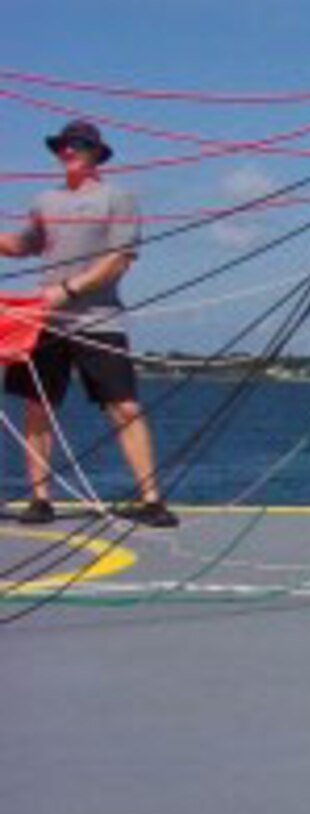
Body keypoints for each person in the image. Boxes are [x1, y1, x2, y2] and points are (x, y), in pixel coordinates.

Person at [1, 120, 177, 528]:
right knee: (36, 407)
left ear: (97, 153)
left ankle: (151, 500)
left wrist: (68, 289)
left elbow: (119, 260)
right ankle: (40, 499)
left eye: (78, 145)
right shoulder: (44, 200)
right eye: (63, 145)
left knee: (124, 406)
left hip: (99, 319)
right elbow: (25, 245)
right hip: (45, 321)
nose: (69, 151)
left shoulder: (119, 198)